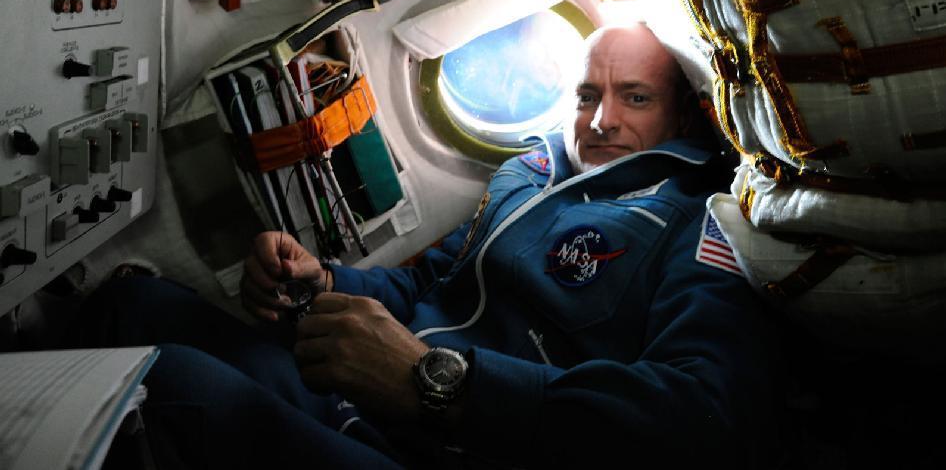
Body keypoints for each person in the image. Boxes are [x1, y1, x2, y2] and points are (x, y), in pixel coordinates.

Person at [73, 24, 780, 468]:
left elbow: (705, 420)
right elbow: (432, 284)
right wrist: (326, 281)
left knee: (167, 386)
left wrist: (442, 385)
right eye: (587, 95)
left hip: (455, 444)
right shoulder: (528, 175)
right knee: (135, 306)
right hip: (367, 396)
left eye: (635, 97)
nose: (600, 121)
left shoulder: (700, 222)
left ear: (683, 115)